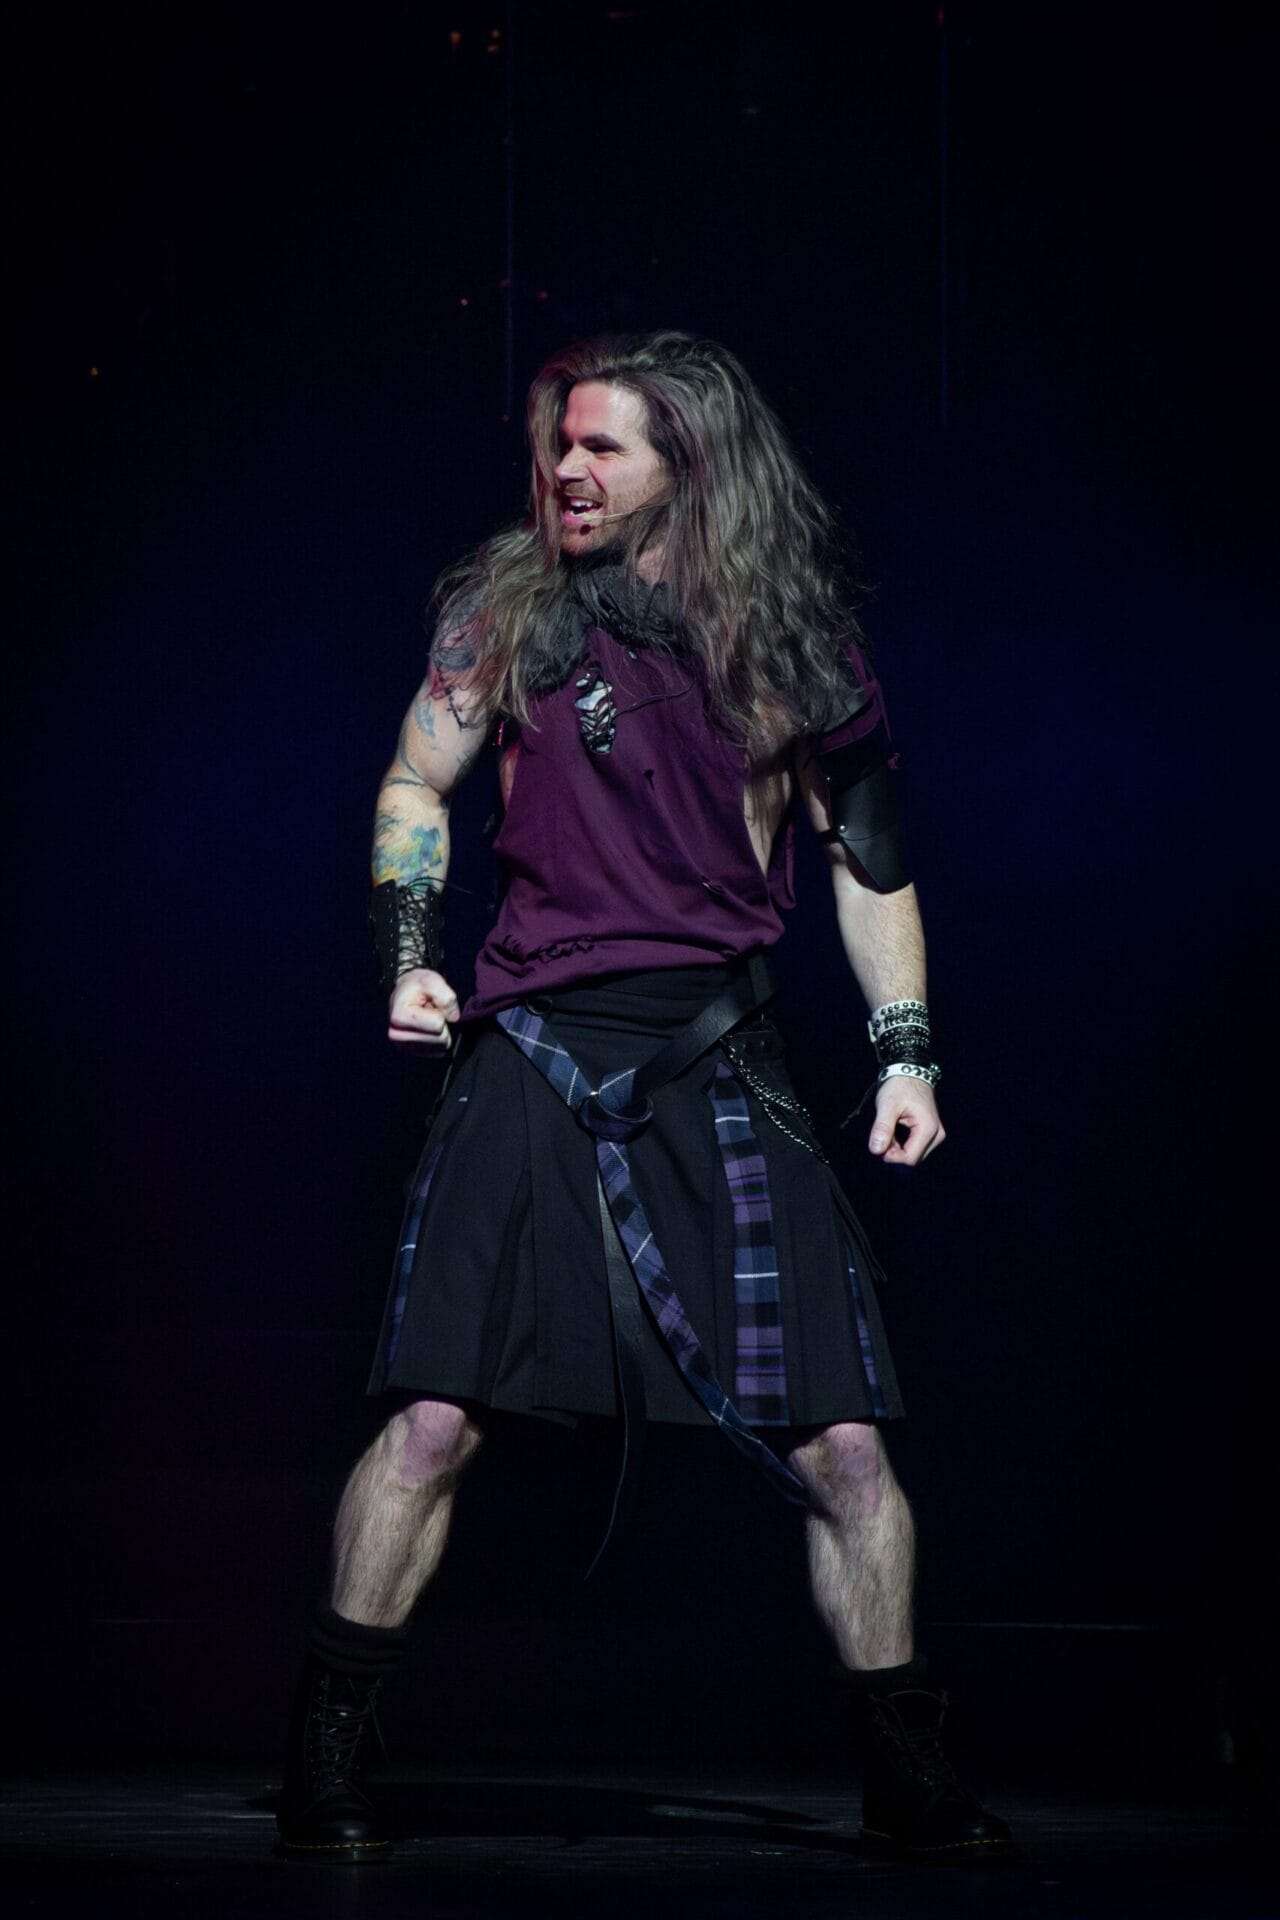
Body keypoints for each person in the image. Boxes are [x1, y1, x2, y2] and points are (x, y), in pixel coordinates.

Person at [276, 331, 1012, 1862]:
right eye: (560, 443)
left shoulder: (790, 640)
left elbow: (866, 859)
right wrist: (407, 951)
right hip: (533, 1047)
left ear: (692, 461)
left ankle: (907, 1771)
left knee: (850, 1451)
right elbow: (418, 777)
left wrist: (908, 1050)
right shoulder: (507, 613)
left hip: (717, 1055)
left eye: (605, 446)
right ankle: (328, 1752)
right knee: (426, 1425)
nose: (568, 468)